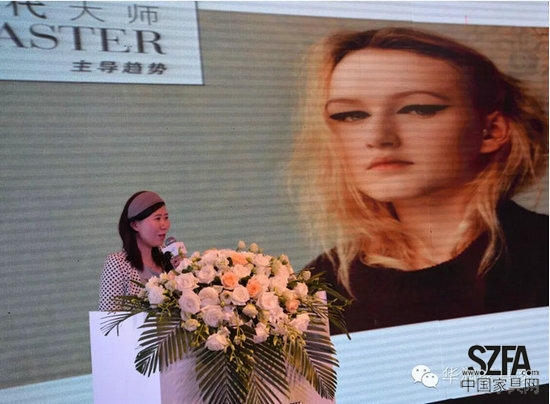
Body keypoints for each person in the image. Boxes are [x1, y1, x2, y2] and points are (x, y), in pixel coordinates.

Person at [287, 27, 548, 334]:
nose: (378, 137)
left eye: (417, 109)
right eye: (351, 115)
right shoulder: (318, 290)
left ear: (490, 131)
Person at [98, 191, 173, 311]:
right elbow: (108, 316)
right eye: (158, 218)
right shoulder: (118, 263)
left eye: (166, 218)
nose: (164, 225)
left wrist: (182, 272)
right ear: (135, 225)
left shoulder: (167, 257)